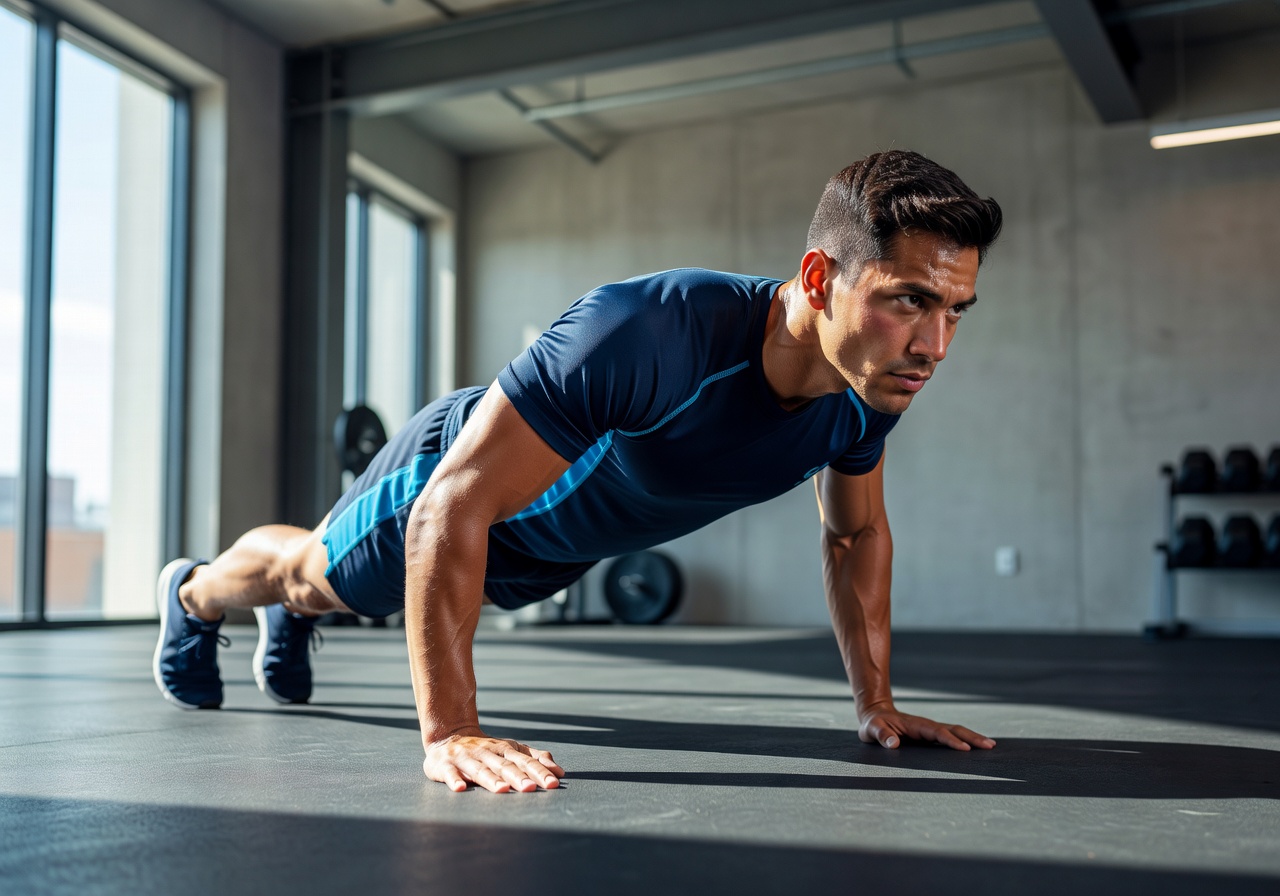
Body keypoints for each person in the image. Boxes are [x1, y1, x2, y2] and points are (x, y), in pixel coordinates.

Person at [153, 149, 1003, 794]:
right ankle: (193, 592)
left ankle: (288, 613)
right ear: (820, 278)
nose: (934, 346)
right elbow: (454, 504)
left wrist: (876, 706)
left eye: (954, 310)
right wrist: (449, 733)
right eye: (906, 300)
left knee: (335, 590)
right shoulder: (648, 333)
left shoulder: (870, 388)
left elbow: (854, 530)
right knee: (313, 579)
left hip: (557, 549)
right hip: (453, 486)